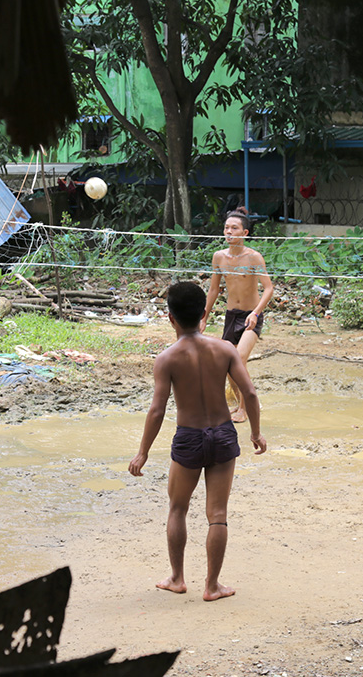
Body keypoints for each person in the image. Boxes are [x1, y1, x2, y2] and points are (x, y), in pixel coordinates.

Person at [129, 281, 267, 602]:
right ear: (204, 312)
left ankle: (177, 578)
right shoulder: (225, 349)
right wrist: (256, 432)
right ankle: (212, 585)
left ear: (170, 318)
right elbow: (249, 392)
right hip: (222, 433)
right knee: (217, 514)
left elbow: (157, 409)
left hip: (189, 437)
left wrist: (143, 452)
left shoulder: (167, 358)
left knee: (177, 508)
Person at [201, 208, 274, 423]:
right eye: (226, 228)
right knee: (226, 362)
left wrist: (255, 312)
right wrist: (204, 317)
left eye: (234, 228)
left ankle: (244, 409)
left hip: (252, 316)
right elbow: (214, 290)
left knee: (239, 359)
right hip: (231, 315)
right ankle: (245, 400)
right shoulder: (219, 257)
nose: (229, 232)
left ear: (245, 233)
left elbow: (268, 288)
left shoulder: (253, 257)